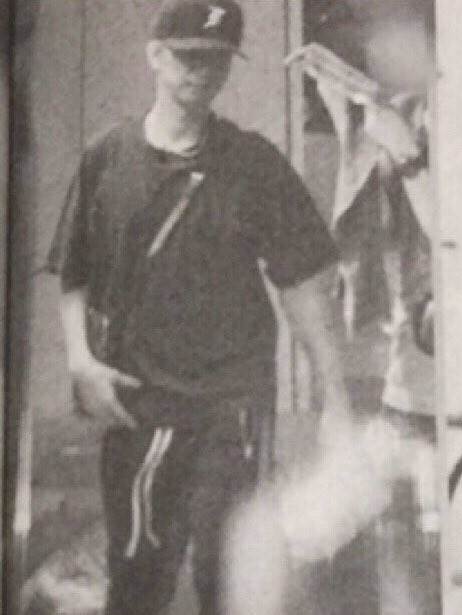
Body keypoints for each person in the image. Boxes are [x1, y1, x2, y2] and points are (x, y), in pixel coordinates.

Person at [47, 2, 351, 613]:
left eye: (216, 60)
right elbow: (73, 269)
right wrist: (80, 361)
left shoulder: (253, 164)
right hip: (141, 404)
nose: (202, 72)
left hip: (231, 407)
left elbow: (302, 283)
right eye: (188, 57)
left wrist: (336, 398)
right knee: (138, 580)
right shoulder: (107, 157)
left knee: (230, 577)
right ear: (155, 56)